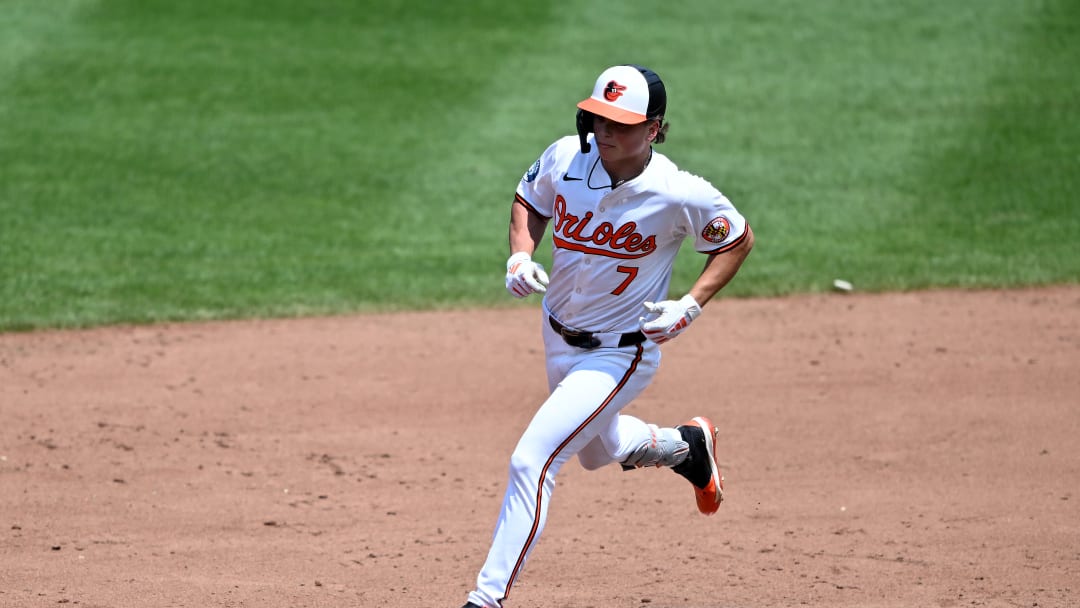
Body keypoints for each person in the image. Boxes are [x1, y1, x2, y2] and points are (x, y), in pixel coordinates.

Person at [459, 64, 755, 608]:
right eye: (597, 116)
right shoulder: (564, 158)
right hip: (556, 337)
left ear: (655, 129)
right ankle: (685, 447)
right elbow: (531, 198)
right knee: (600, 451)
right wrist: (520, 255)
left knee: (534, 461)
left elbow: (736, 238)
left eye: (620, 121)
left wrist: (691, 305)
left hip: (621, 353)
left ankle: (486, 598)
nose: (604, 129)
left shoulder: (677, 193)